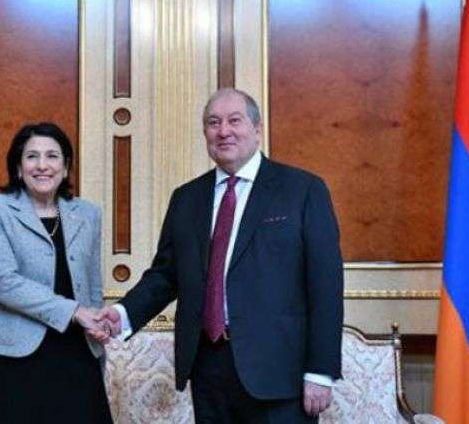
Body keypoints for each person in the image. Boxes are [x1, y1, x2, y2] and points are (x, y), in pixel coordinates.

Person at [93, 88, 344, 423]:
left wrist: (321, 370)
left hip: (279, 373)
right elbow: (166, 275)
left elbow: (325, 285)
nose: (223, 131)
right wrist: (123, 314)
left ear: (258, 128)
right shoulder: (186, 198)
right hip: (208, 368)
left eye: (234, 120)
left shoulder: (302, 190)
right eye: (213, 123)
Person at [0, 122, 113, 423]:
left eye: (52, 156)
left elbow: (93, 283)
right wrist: (75, 312)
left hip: (76, 353)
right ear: (18, 167)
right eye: (32, 156)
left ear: (65, 167)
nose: (42, 165)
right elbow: (4, 283)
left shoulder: (88, 213)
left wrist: (97, 322)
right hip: (12, 356)